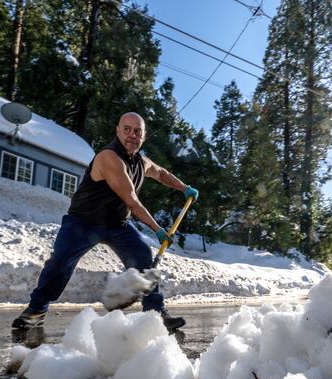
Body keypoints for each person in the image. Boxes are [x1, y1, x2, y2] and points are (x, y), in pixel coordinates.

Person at [12, 112, 198, 331]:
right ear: (117, 131)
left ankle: (155, 314)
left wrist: (184, 188)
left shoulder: (141, 161)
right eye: (127, 129)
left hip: (117, 224)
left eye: (137, 131)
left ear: (144, 136)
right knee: (60, 261)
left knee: (143, 257)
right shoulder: (109, 157)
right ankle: (36, 310)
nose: (132, 135)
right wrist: (157, 229)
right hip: (83, 222)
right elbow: (133, 201)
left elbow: (161, 173)